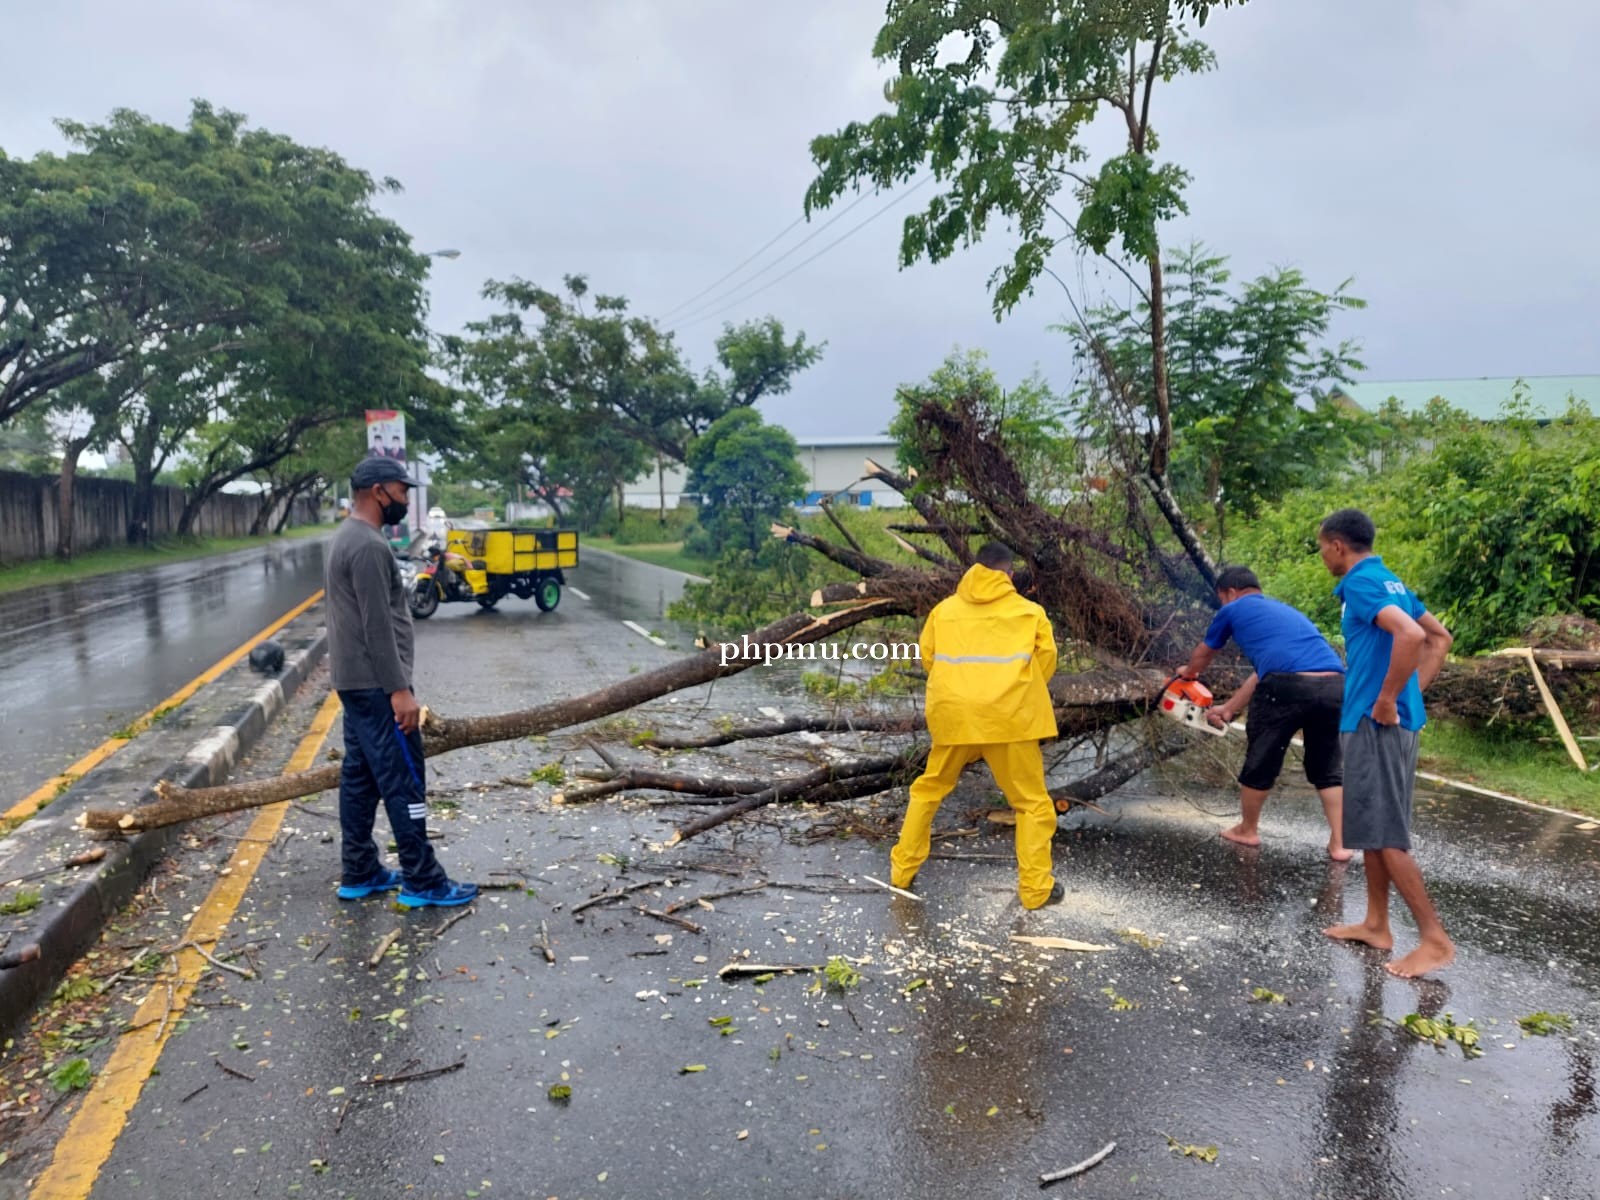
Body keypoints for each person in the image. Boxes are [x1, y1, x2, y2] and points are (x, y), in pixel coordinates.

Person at [324, 456, 477, 909]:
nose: (406, 500)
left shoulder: (346, 536)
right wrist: (399, 691)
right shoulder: (368, 547)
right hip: (376, 685)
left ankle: (360, 869)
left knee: (360, 776)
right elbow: (376, 627)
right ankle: (423, 879)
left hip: (354, 682)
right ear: (378, 491)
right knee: (404, 776)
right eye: (402, 490)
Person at [1316, 508, 1454, 977]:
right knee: (1372, 830)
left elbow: (1413, 635)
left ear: (1337, 545)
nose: (1323, 557)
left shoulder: (1360, 582)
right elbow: (1439, 638)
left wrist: (1388, 699)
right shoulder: (1390, 581)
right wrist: (1409, 695)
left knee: (1387, 835)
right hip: (1389, 722)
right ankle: (1377, 924)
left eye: (1322, 548)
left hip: (1375, 723)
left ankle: (1434, 939)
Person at [890, 543, 1063, 909]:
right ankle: (1035, 891)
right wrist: (1013, 694)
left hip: (954, 716)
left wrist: (961, 692)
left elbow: (929, 658)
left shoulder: (943, 611)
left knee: (929, 790)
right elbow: (1046, 662)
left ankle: (902, 872)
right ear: (1009, 574)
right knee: (1031, 804)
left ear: (974, 569)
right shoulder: (1029, 612)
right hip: (1011, 720)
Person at [1176, 565, 1352, 860]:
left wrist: (1189, 673)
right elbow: (1264, 673)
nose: (1223, 604)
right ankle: (1340, 843)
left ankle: (1247, 830)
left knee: (1262, 757)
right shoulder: (1286, 614)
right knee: (1327, 766)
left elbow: (1206, 651)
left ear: (1231, 592)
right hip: (1335, 686)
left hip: (1286, 686)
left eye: (1222, 598)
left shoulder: (1233, 609)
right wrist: (1229, 708)